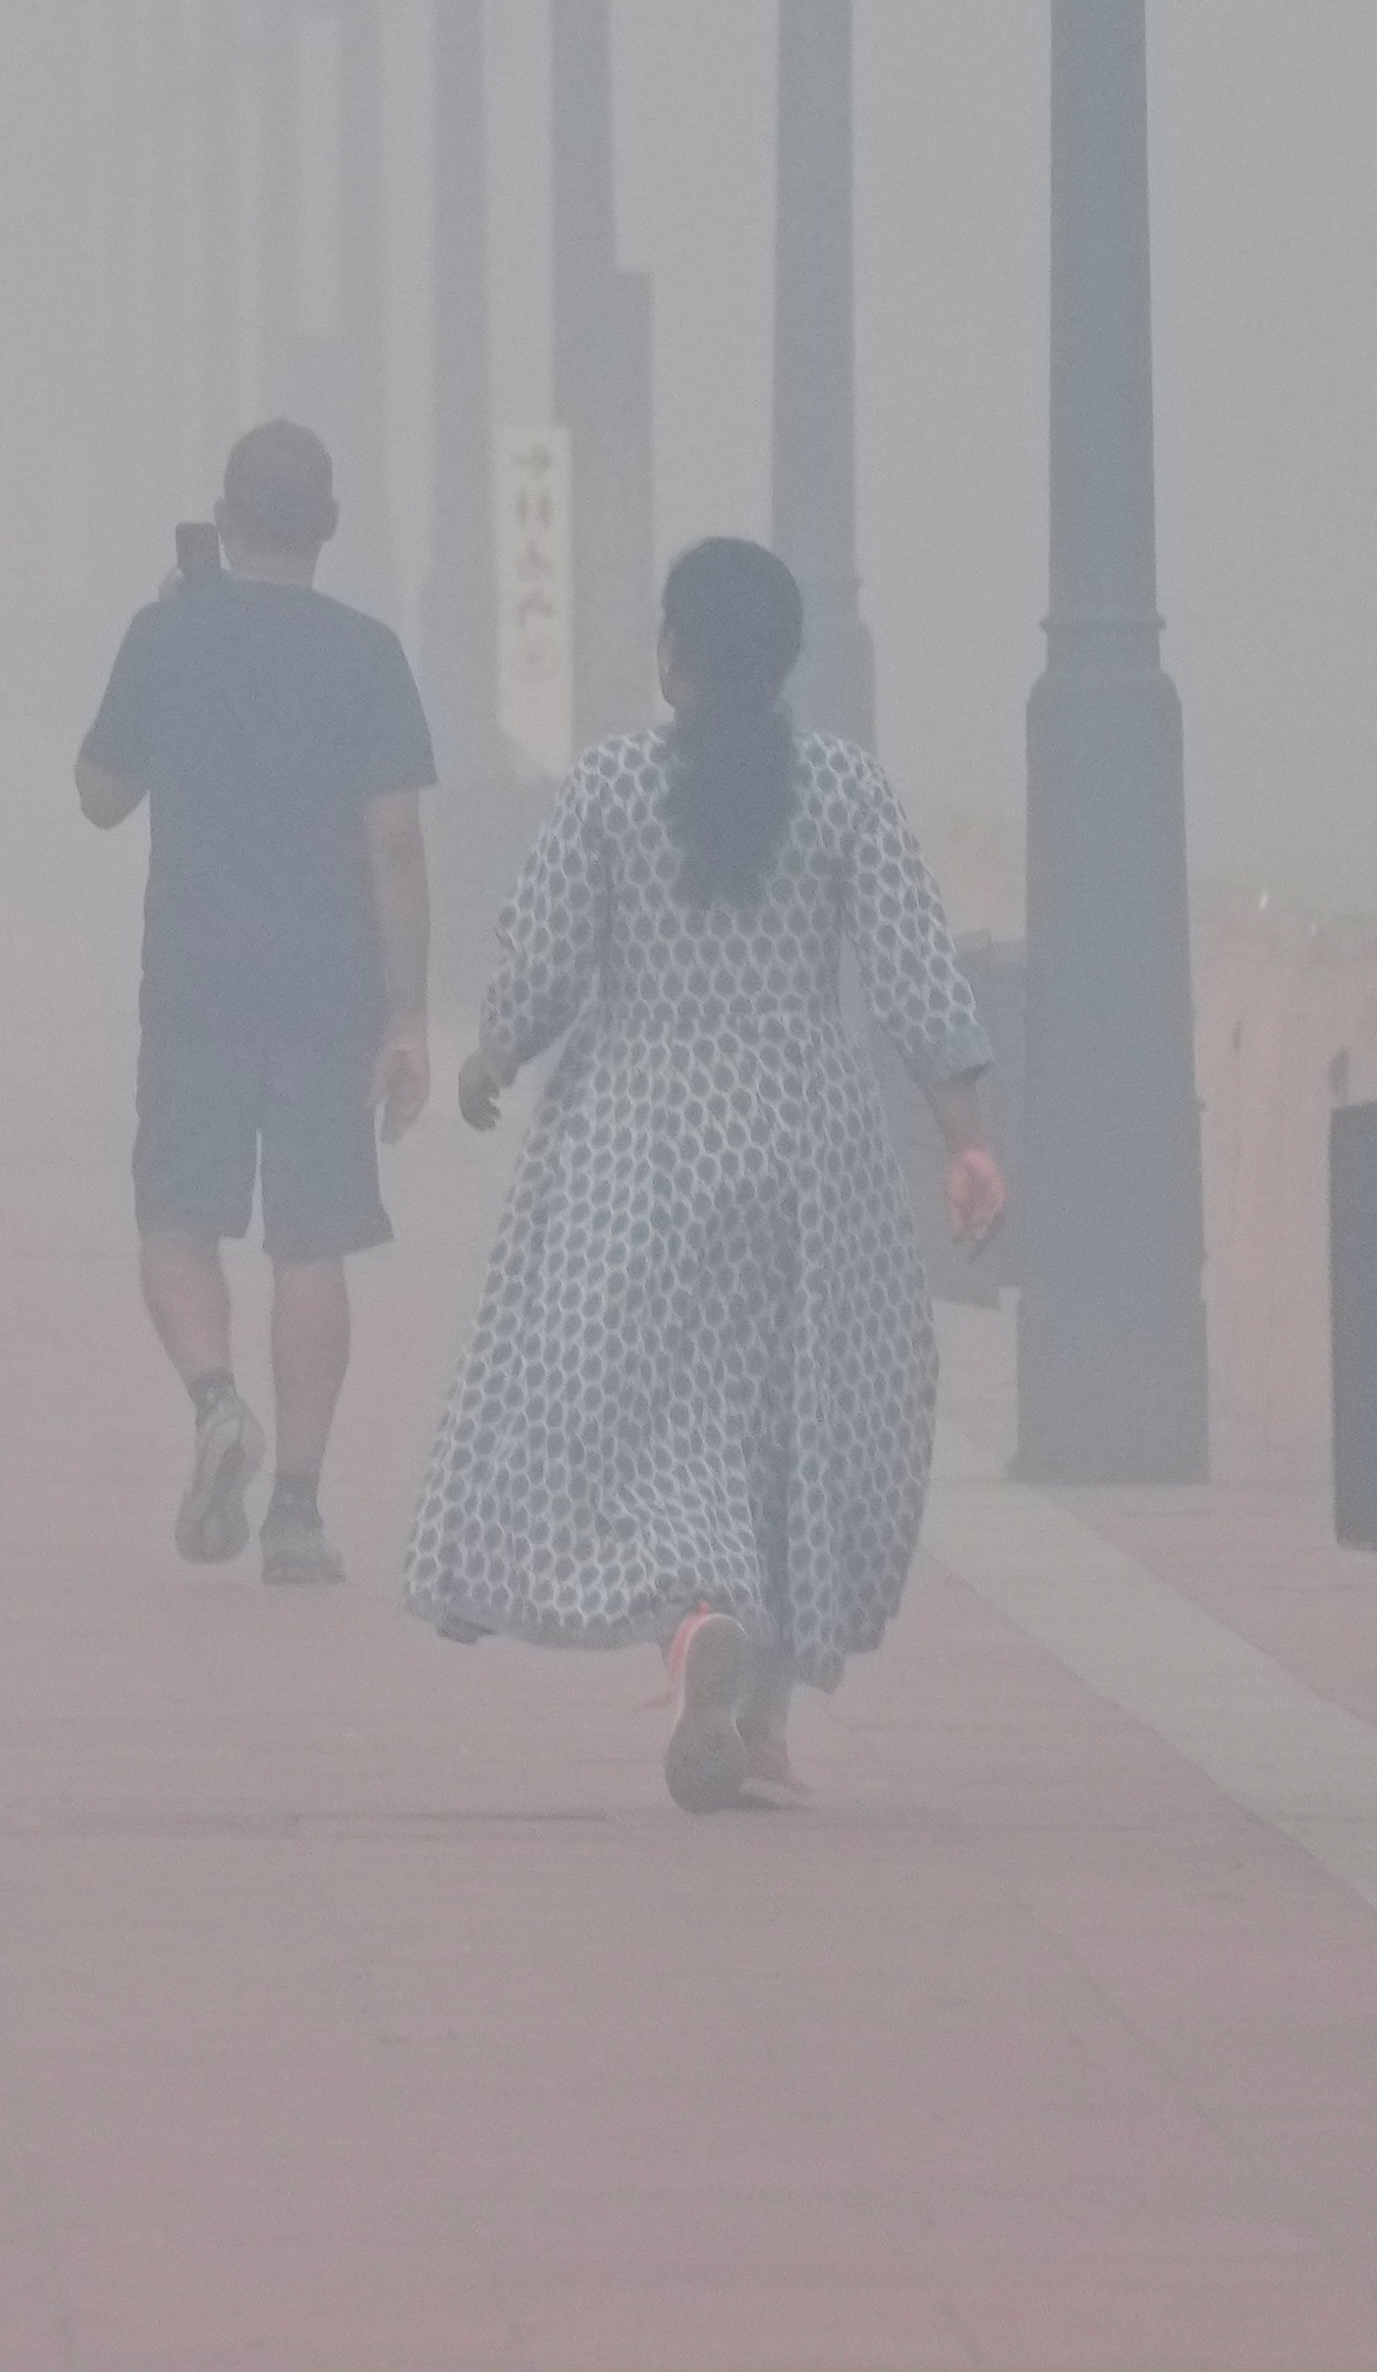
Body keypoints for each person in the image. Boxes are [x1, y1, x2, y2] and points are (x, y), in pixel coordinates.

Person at [406, 535, 1002, 1808]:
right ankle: (764, 1720)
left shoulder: (614, 782)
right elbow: (912, 972)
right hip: (806, 1141)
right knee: (791, 1421)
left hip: (638, 1134)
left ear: (670, 652)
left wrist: (491, 1054)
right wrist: (964, 1135)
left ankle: (692, 1631)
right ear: (785, 660)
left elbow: (549, 953)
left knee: (645, 1419)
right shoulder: (842, 789)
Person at [75, 421, 434, 1587]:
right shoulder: (367, 655)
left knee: (176, 1218)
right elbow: (392, 843)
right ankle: (295, 1508)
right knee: (310, 1236)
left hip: (194, 979)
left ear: (225, 520)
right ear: (324, 526)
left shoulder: (165, 634)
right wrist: (405, 1014)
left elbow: (97, 795)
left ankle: (215, 1397)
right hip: (326, 987)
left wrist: (166, 630)